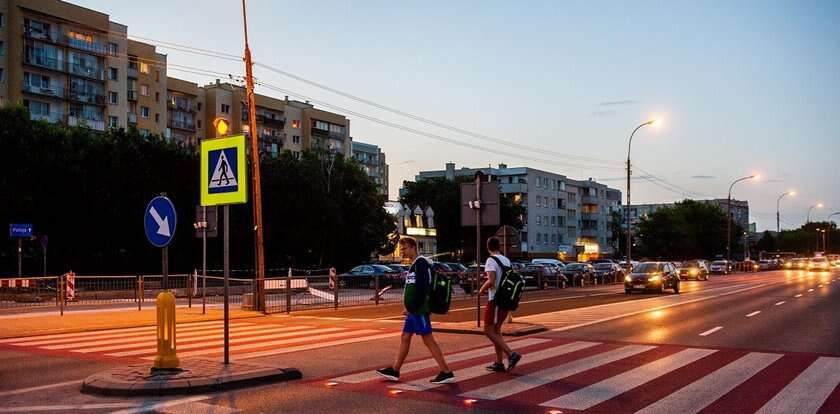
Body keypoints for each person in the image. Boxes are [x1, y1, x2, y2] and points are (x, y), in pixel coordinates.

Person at [376, 237, 455, 384]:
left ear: (413, 247)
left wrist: (411, 308)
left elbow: (423, 287)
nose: (403, 251)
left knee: (428, 339)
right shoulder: (416, 264)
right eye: (402, 248)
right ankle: (395, 370)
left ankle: (446, 371)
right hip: (413, 310)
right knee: (405, 337)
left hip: (419, 310)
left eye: (405, 248)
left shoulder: (421, 263)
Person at [478, 237, 522, 372]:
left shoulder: (491, 260)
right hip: (505, 299)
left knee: (488, 330)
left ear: (488, 247)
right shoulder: (505, 259)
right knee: (496, 330)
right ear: (499, 246)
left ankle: (511, 354)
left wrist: (481, 290)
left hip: (495, 300)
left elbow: (491, 281)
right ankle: (499, 362)